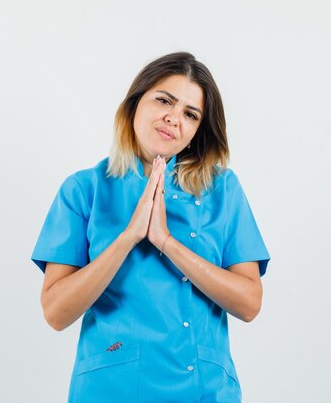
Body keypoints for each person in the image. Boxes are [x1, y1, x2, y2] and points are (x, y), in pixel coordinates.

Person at [30, 51, 271, 403]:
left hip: (204, 389)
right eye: (164, 100)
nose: (174, 119)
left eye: (190, 114)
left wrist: (165, 241)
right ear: (134, 103)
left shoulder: (222, 190)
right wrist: (129, 237)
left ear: (197, 131)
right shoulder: (83, 190)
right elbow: (56, 312)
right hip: (111, 389)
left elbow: (249, 304)